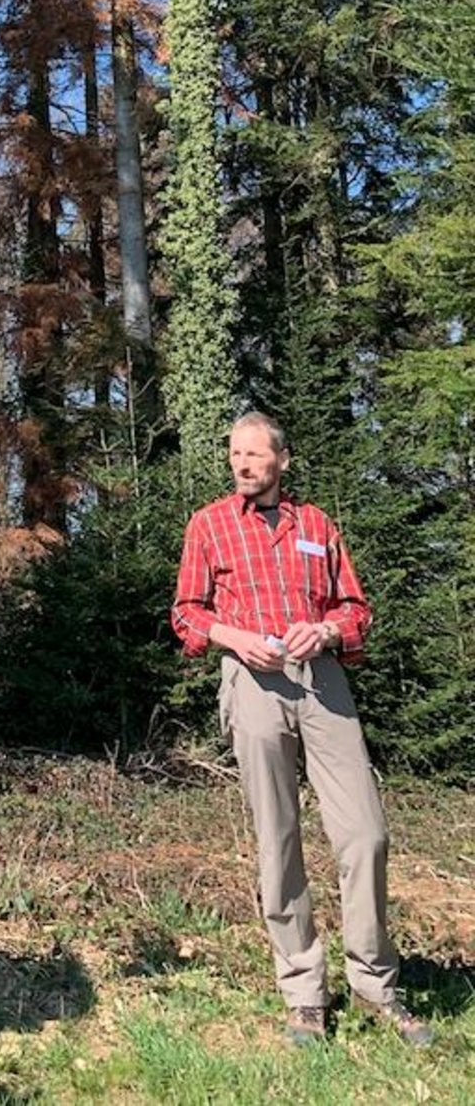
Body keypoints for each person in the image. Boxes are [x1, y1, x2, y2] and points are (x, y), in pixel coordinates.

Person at [171, 411, 433, 1048]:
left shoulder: (316, 525)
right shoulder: (208, 525)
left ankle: (375, 984)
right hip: (252, 685)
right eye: (235, 454)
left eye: (255, 455)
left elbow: (356, 608)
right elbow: (186, 613)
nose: (242, 464)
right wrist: (233, 638)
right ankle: (304, 992)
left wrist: (326, 631)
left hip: (321, 680)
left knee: (366, 834)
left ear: (282, 460)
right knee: (278, 840)